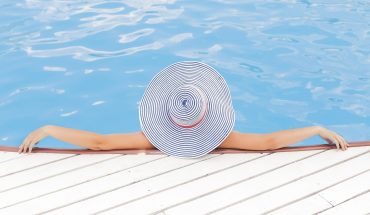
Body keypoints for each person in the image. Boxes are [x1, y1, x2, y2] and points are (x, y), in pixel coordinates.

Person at [18, 125, 348, 154]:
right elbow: (269, 142)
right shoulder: (219, 138)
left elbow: (99, 142)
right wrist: (315, 129)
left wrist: (50, 129)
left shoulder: (155, 140)